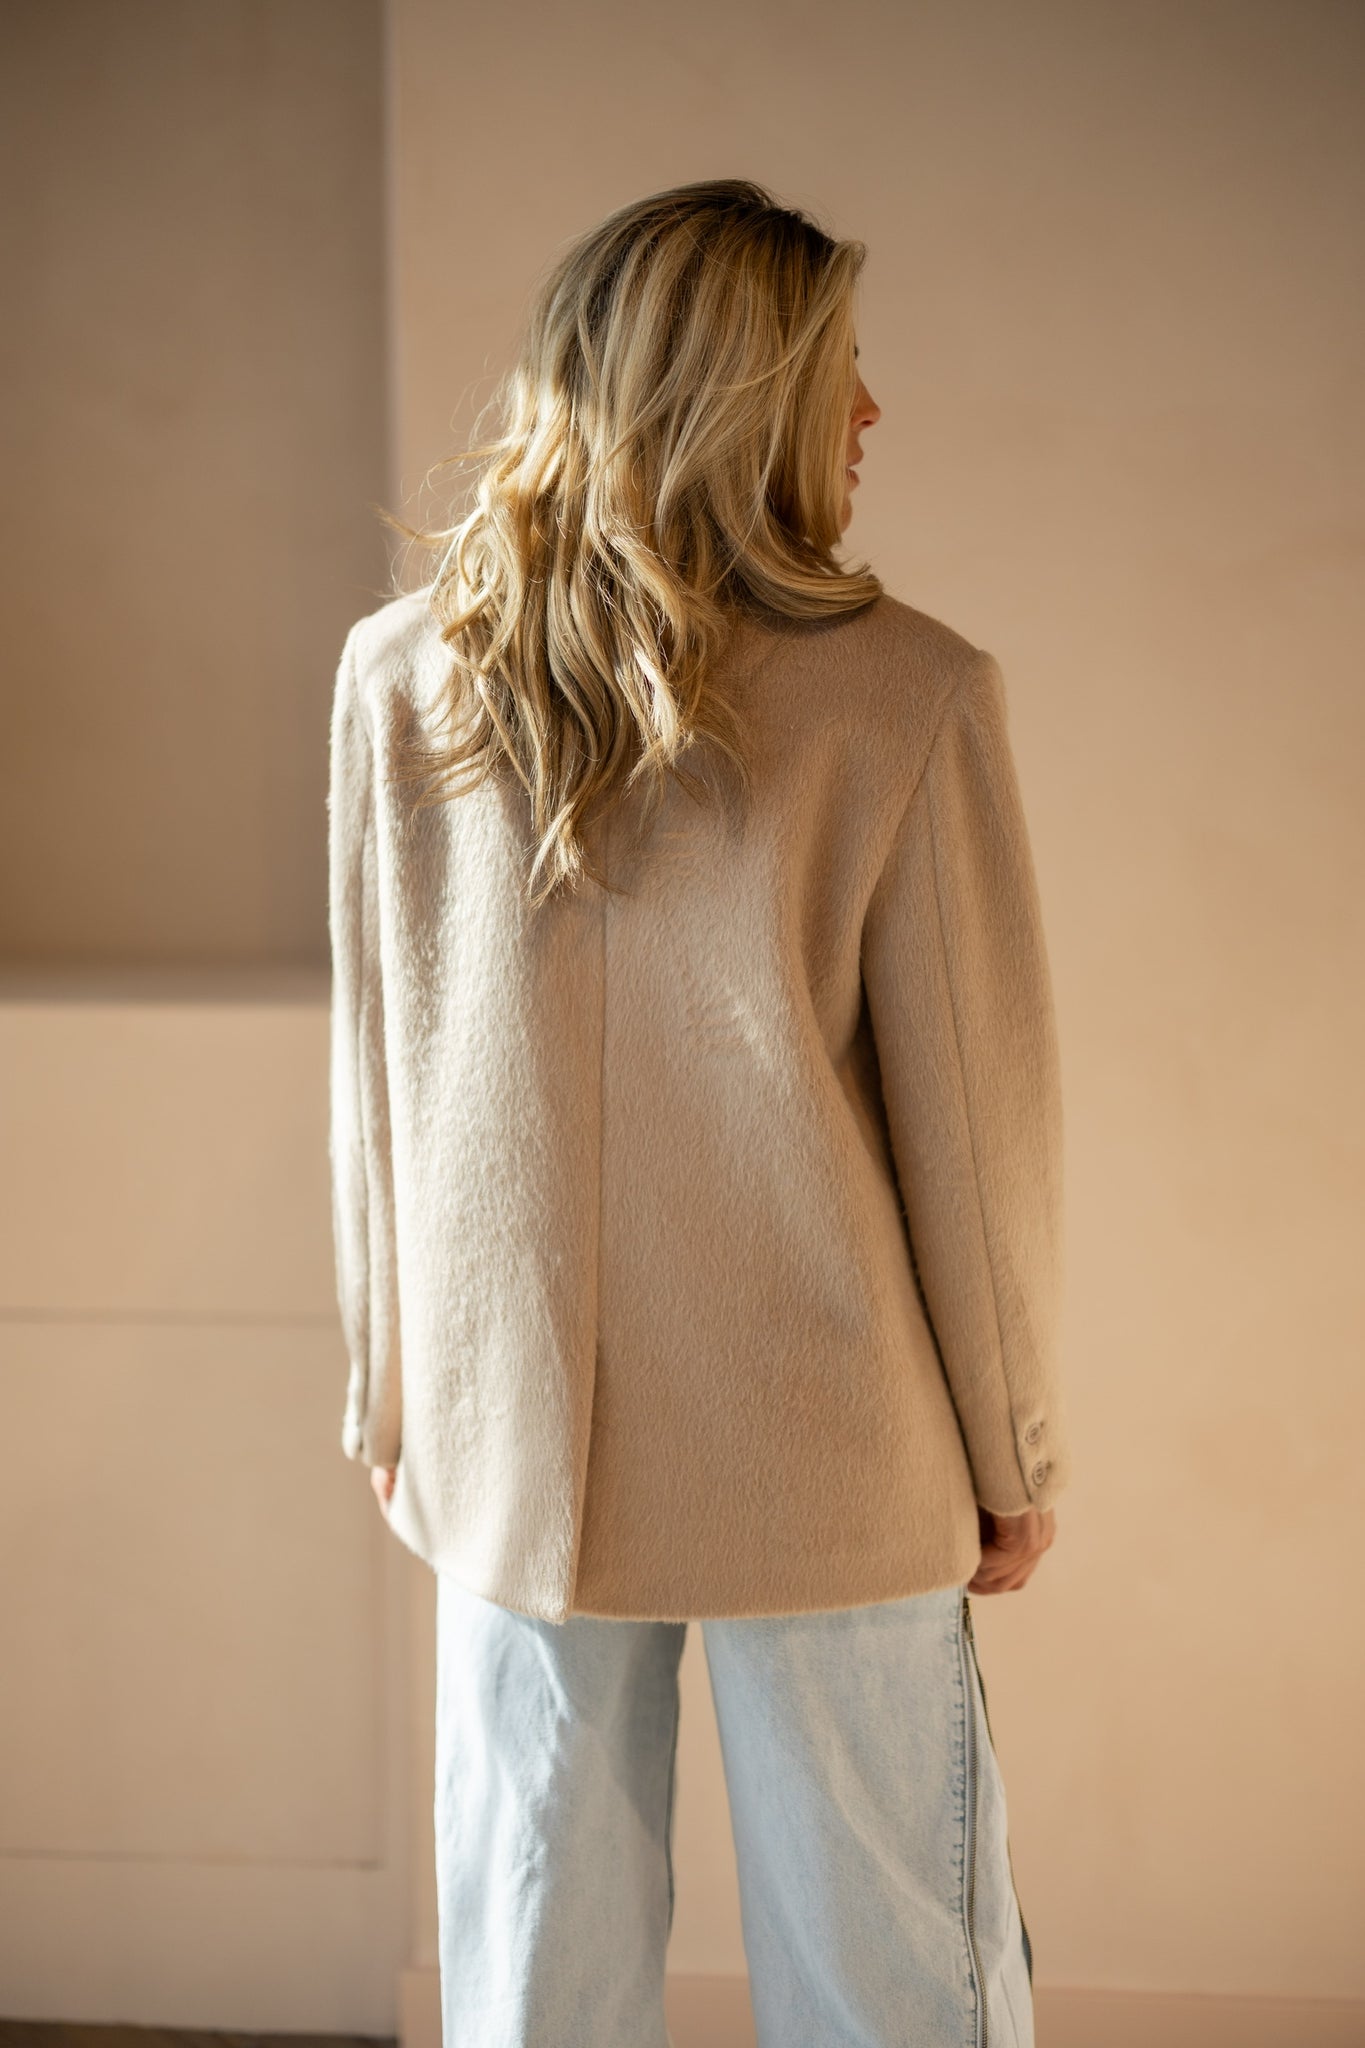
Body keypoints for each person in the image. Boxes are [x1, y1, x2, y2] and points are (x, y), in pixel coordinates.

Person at [327, 177, 1071, 2048]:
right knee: (891, 1984)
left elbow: (382, 1071)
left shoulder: (401, 678)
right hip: (828, 1445)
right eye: (840, 368)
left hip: (514, 1444)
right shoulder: (906, 693)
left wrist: (390, 1386)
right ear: (742, 394)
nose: (870, 411)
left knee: (533, 1979)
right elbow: (975, 1134)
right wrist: (1013, 1453)